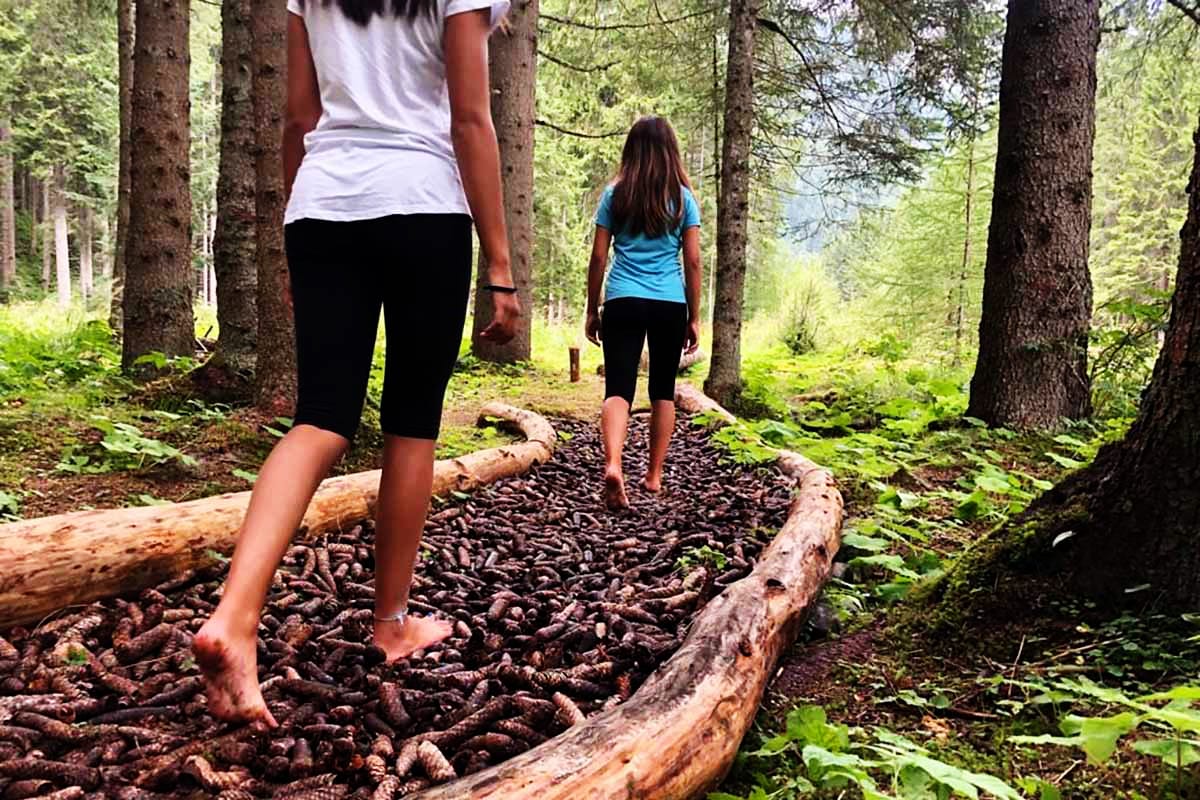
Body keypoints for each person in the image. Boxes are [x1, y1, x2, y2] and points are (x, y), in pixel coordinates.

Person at [193, 0, 518, 728]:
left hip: (324, 206)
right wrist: (499, 264)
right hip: (423, 206)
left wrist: (292, 234)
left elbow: (298, 119)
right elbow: (470, 120)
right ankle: (391, 622)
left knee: (321, 418)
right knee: (411, 426)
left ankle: (235, 616)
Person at [585, 116, 702, 511]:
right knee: (662, 390)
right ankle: (653, 475)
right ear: (671, 151)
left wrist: (592, 308)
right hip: (669, 302)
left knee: (618, 388)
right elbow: (694, 261)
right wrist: (694, 316)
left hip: (622, 299)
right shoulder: (683, 199)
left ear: (631, 150)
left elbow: (599, 256)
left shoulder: (614, 195)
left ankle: (614, 464)